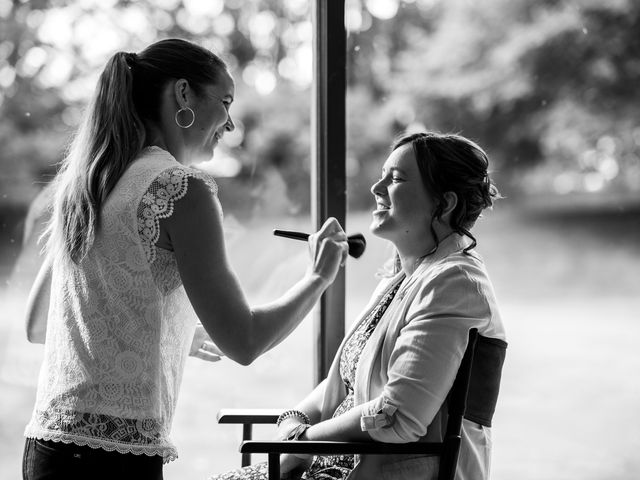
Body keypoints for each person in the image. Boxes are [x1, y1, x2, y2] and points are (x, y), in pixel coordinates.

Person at [22, 38, 348, 480]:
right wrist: (318, 277)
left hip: (46, 447)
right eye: (226, 102)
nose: (230, 124)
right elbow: (245, 340)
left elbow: (40, 324)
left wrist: (168, 331)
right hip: (111, 462)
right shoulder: (179, 189)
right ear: (183, 94)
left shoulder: (92, 181)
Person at [210, 131, 507, 480]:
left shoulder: (453, 283)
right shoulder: (399, 279)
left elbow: (399, 416)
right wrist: (294, 421)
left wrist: (303, 443)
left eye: (395, 179)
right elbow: (343, 385)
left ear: (445, 204)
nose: (376, 188)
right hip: (333, 465)